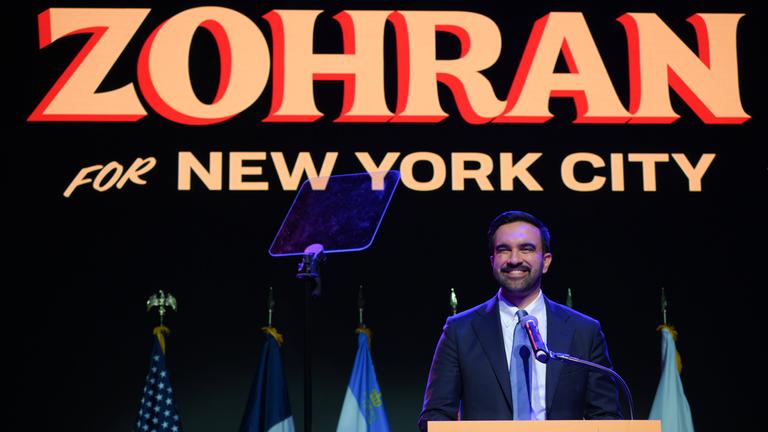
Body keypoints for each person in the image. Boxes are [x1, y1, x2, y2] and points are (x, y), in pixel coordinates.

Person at [418, 210, 622, 431]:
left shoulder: (584, 331)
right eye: (504, 250)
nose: (514, 260)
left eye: (526, 248)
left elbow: (606, 416)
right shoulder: (459, 330)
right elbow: (435, 417)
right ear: (492, 261)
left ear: (546, 261)